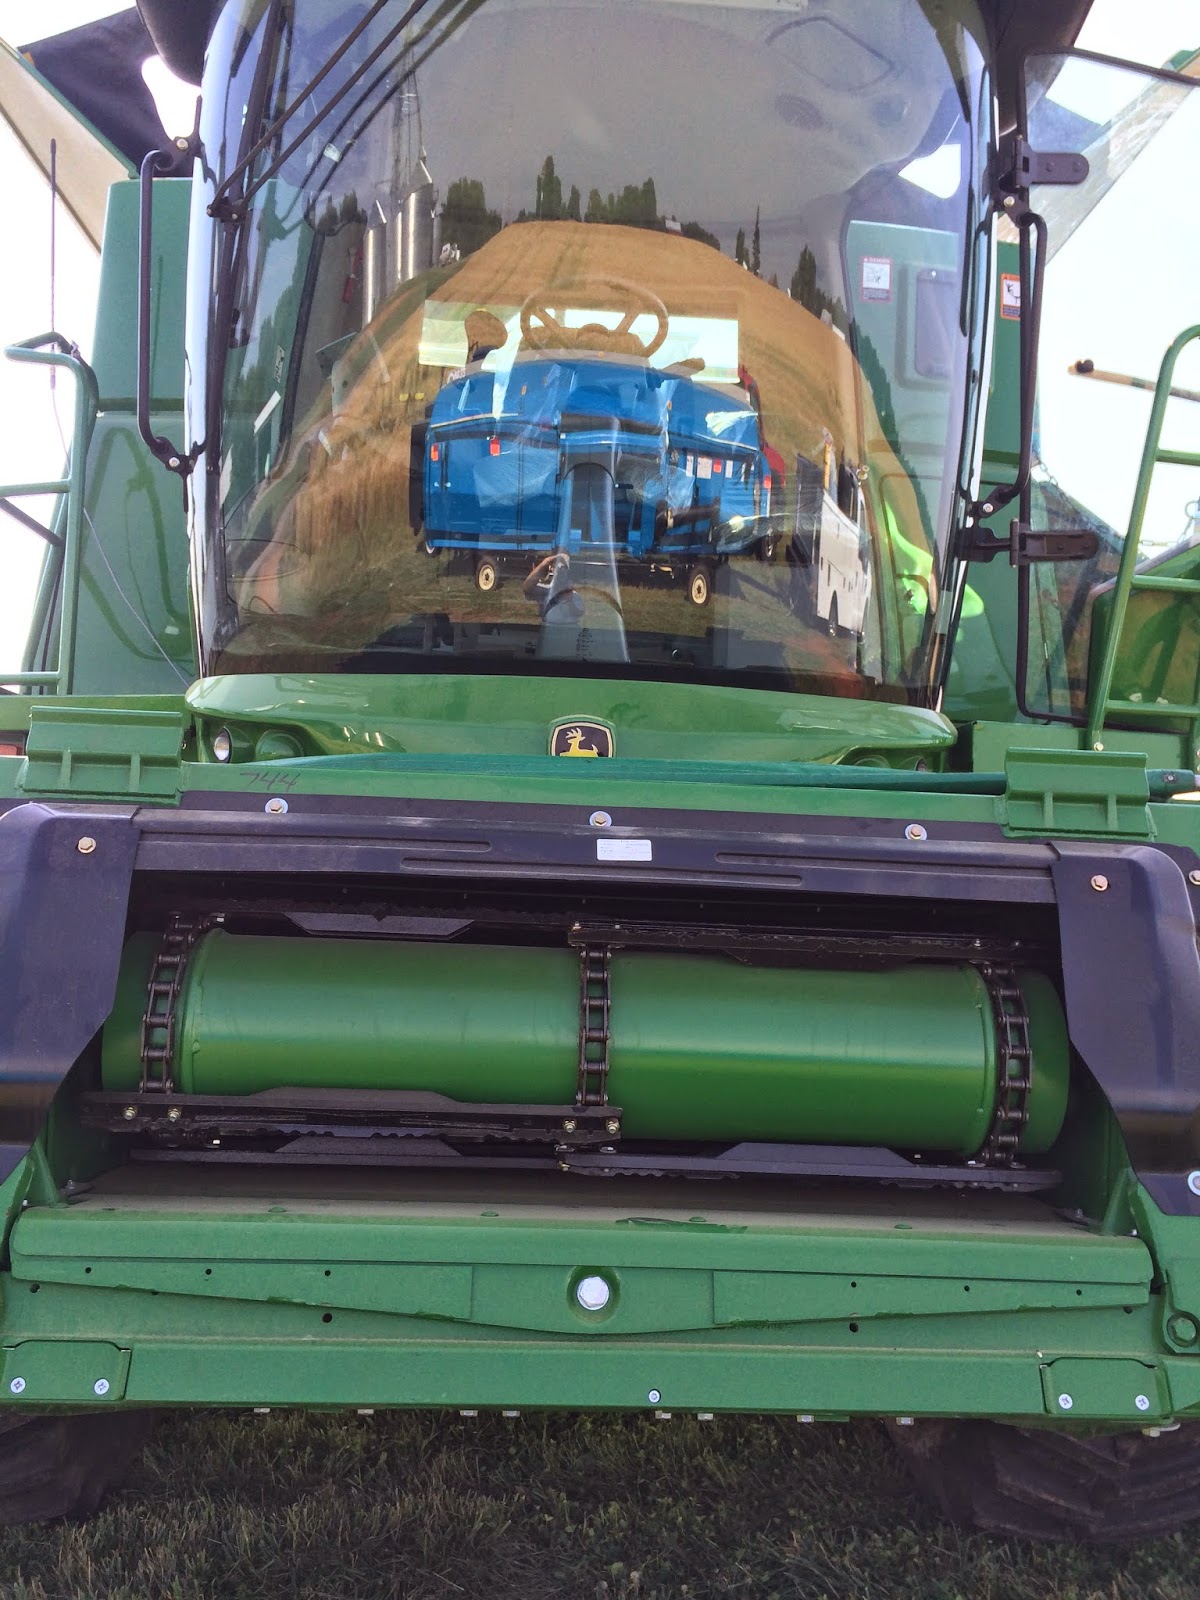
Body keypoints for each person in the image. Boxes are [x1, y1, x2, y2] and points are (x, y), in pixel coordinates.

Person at [523, 551, 585, 624]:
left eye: (564, 569)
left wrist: (569, 601)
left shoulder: (574, 595)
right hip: (548, 630)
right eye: (557, 569)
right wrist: (544, 564)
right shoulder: (545, 591)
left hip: (569, 630)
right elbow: (527, 589)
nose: (560, 572)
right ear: (551, 569)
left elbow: (578, 613)